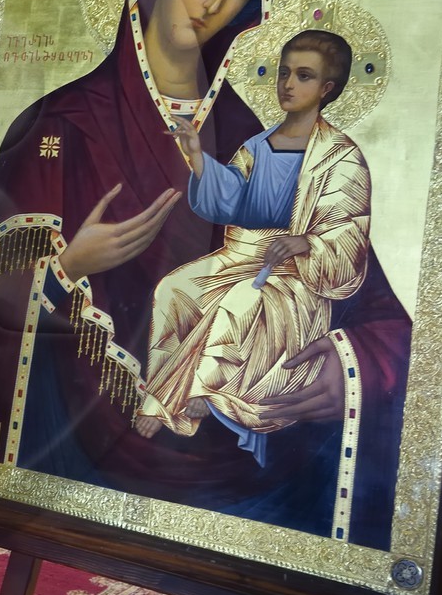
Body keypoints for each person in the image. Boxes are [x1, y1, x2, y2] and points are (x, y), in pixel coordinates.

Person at [0, 0, 411, 548]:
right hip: (83, 447)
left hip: (243, 447)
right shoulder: (59, 125)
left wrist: (352, 370)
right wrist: (68, 266)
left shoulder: (256, 134)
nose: (218, 0)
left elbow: (374, 308)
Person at [136, 31, 372, 460]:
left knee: (240, 302)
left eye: (303, 76)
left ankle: (203, 394)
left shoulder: (341, 157)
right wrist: (196, 157)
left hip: (294, 277)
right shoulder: (258, 146)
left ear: (327, 88)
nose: (288, 84)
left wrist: (305, 242)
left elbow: (348, 233)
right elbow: (230, 198)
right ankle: (161, 388)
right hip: (240, 255)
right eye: (284, 73)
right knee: (174, 290)